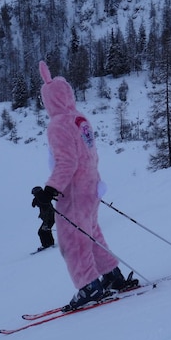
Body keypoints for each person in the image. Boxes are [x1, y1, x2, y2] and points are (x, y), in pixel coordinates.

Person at [37, 60, 135, 312]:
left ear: (49, 100)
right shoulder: (80, 119)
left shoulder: (58, 124)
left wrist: (50, 190)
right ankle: (112, 275)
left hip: (74, 190)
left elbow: (67, 161)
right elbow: (89, 155)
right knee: (91, 234)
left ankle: (89, 285)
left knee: (72, 239)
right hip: (91, 185)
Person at [31, 186, 55, 251]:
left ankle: (45, 245)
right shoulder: (43, 198)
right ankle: (50, 243)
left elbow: (46, 210)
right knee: (46, 230)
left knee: (41, 232)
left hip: (48, 219)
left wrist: (46, 223)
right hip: (50, 218)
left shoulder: (41, 198)